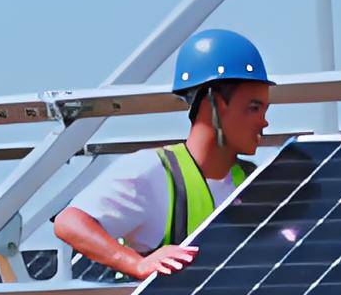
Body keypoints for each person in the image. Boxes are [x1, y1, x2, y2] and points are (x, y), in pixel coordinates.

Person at [53, 25, 274, 281]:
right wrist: (137, 264)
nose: (264, 122)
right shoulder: (154, 171)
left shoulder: (252, 180)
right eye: (254, 108)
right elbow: (70, 222)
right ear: (215, 102)